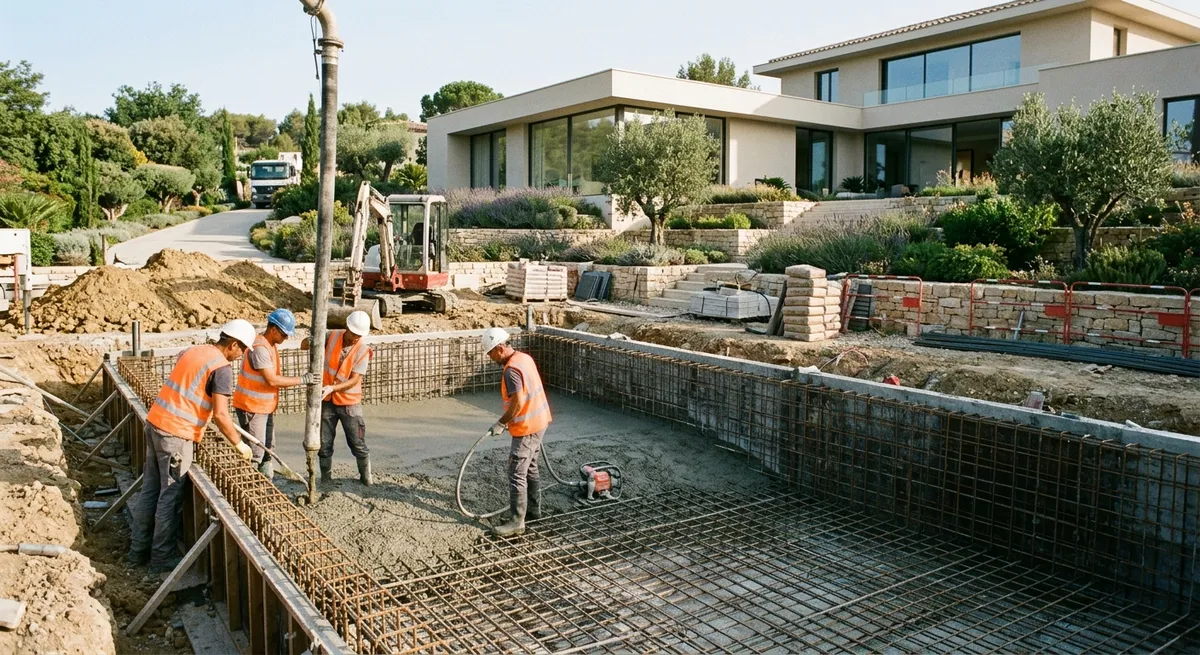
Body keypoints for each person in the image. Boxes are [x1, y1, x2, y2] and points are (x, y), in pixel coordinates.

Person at [128, 319, 257, 574]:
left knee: (150, 491)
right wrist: (238, 443)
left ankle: (137, 552)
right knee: (169, 497)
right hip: (176, 435)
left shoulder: (195, 350)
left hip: (155, 422)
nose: (242, 356)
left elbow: (189, 387)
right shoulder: (222, 369)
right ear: (233, 344)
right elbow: (221, 415)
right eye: (242, 350)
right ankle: (161, 560)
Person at [481, 327, 552, 538]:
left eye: (491, 353)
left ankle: (517, 522)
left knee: (516, 472)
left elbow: (518, 402)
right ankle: (533, 510)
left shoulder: (511, 370)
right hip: (540, 422)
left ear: (500, 348)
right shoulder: (524, 358)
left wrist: (501, 423)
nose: (490, 358)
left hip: (527, 428)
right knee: (530, 467)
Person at [231, 309, 314, 480]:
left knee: (268, 448)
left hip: (264, 408)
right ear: (273, 330)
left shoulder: (270, 344)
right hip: (251, 408)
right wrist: (303, 379)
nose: (286, 338)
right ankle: (249, 486)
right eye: (284, 335)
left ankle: (265, 480)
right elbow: (272, 380)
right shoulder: (260, 348)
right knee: (255, 451)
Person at [302, 310, 373, 486]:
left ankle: (366, 479)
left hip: (349, 403)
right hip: (327, 402)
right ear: (347, 327)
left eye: (359, 336)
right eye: (354, 334)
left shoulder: (363, 350)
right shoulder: (331, 336)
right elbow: (303, 346)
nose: (356, 338)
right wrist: (312, 340)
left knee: (358, 443)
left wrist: (333, 388)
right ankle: (326, 479)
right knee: (324, 443)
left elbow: (355, 379)